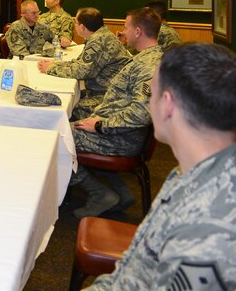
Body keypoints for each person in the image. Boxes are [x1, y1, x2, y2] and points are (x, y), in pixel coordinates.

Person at [86, 43, 236, 290]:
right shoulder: (193, 172)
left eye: (151, 95)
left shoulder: (207, 233)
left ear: (167, 104)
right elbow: (137, 267)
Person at [70, 7, 164, 218]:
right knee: (69, 123)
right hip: (117, 130)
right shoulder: (147, 58)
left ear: (138, 32)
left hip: (120, 137)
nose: (123, 32)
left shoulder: (149, 65)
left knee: (56, 138)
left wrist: (100, 125)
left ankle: (99, 193)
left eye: (126, 27)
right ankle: (121, 192)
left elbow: (141, 112)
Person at [38, 7, 131, 102]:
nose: (75, 25)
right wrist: (56, 64)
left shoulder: (97, 41)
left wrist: (50, 69)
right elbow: (80, 63)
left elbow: (81, 72)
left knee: (62, 105)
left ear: (82, 27)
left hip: (107, 96)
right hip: (107, 91)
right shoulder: (101, 35)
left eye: (76, 23)